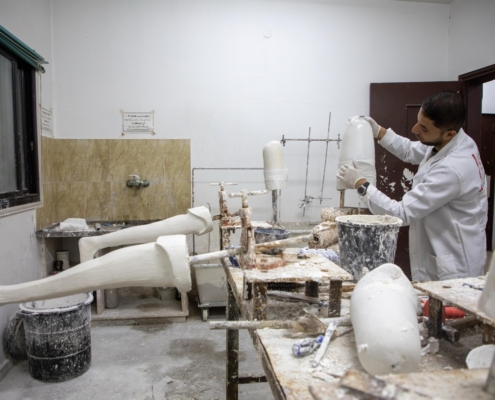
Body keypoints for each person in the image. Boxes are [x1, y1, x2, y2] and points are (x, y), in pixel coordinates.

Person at [336, 91, 488, 281]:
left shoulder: (452, 169)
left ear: (449, 134)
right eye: (418, 121)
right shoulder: (455, 141)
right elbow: (410, 150)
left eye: (423, 128)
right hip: (453, 243)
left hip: (455, 261)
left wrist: (361, 184)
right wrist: (379, 132)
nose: (415, 129)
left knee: (445, 299)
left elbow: (401, 213)